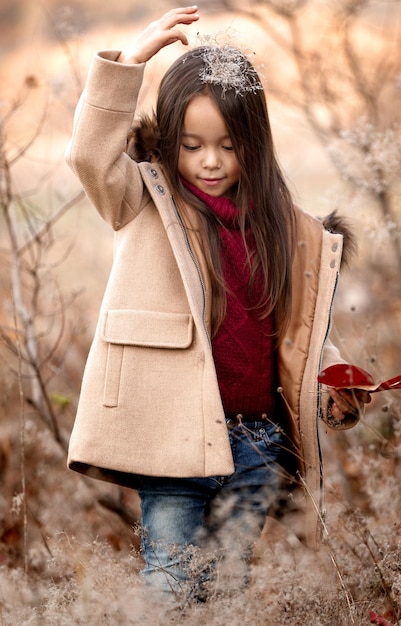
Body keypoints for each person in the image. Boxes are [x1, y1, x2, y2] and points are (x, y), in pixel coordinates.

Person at [66, 6, 371, 603]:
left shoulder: (281, 229)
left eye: (228, 146)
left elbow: (299, 328)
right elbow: (88, 156)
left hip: (255, 441)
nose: (210, 161)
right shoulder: (143, 200)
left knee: (227, 587)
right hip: (172, 442)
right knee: (170, 584)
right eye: (192, 145)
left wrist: (332, 378)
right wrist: (129, 65)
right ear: (169, 142)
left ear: (252, 145)